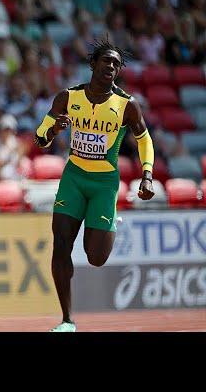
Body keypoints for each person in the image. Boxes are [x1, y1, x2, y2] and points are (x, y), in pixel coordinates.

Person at [34, 39, 155, 332]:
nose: (111, 67)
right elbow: (40, 138)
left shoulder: (126, 104)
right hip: (74, 178)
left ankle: (110, 219)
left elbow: (144, 139)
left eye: (116, 64)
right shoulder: (68, 97)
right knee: (61, 246)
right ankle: (66, 320)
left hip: (103, 183)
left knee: (96, 257)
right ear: (93, 64)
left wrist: (147, 174)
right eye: (106, 61)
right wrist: (53, 129)